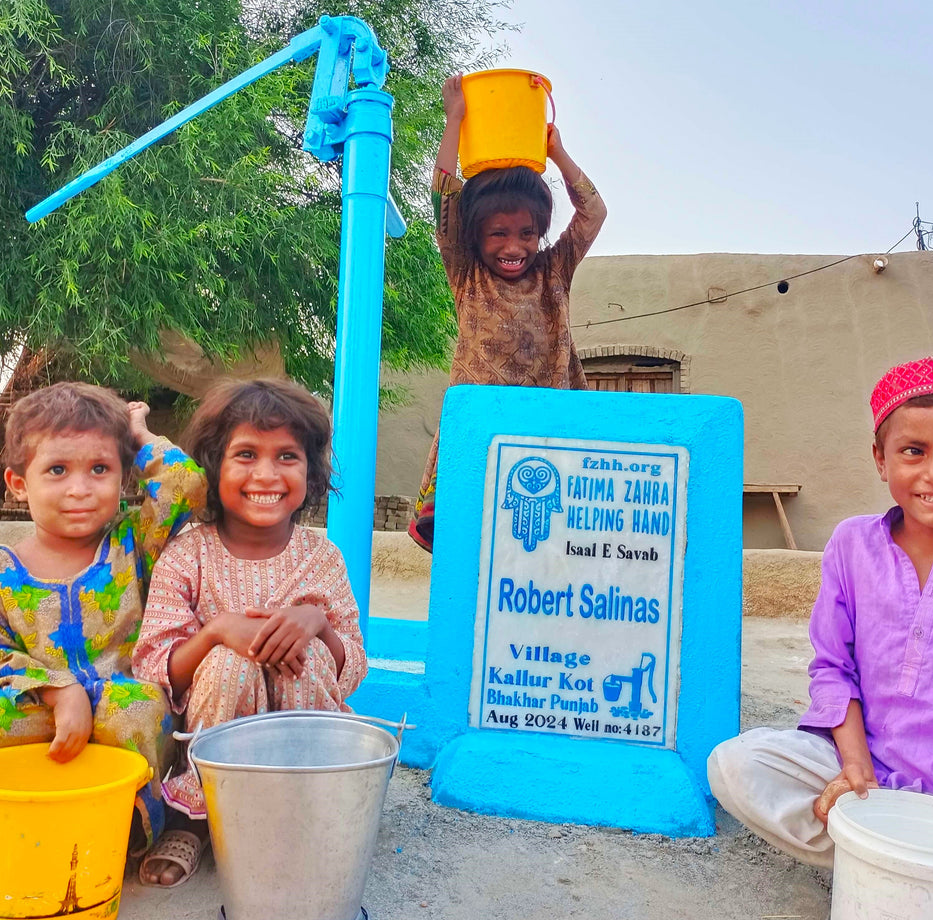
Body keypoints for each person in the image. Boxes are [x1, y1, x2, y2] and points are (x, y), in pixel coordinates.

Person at [708, 355, 933, 871]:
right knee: (738, 765)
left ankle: (914, 867)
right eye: (913, 451)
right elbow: (835, 669)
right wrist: (855, 769)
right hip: (868, 772)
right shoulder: (852, 544)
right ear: (881, 459)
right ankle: (921, 867)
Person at [133, 377, 368, 887]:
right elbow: (155, 665)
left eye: (288, 456)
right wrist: (216, 632)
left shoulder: (322, 558)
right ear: (215, 467)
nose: (267, 473)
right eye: (246, 454)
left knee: (311, 656)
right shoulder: (188, 553)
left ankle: (301, 815)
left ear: (312, 471)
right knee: (229, 664)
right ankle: (193, 819)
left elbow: (352, 667)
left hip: (302, 749)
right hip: (216, 737)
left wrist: (319, 626)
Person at [0, 382, 206, 856]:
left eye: (100, 469)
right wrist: (57, 689)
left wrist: (138, 435)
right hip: (41, 709)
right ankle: (24, 822)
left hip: (124, 705)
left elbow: (187, 487)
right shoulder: (6, 572)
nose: (80, 489)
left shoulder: (133, 545)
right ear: (17, 485)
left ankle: (127, 831)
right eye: (56, 470)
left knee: (135, 707)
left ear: (124, 477)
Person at [408, 73, 607, 552]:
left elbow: (594, 213)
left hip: (548, 419)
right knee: (471, 532)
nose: (514, 246)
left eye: (525, 232)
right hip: (481, 421)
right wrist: (453, 119)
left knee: (545, 533)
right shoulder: (467, 273)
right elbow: (442, 198)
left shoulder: (553, 268)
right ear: (475, 237)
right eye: (498, 233)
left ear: (539, 233)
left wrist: (556, 153)